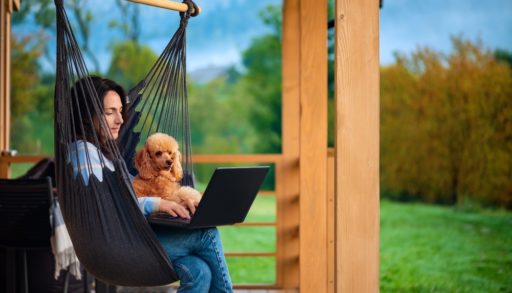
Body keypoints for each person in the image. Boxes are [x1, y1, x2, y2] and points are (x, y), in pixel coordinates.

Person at [68, 76, 233, 292]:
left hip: (124, 243)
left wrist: (174, 200)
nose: (120, 120)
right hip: (114, 251)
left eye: (120, 111)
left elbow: (123, 194)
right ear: (86, 116)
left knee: (199, 270)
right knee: (206, 233)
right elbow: (109, 206)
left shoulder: (99, 153)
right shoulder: (84, 155)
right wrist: (157, 204)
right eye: (110, 112)